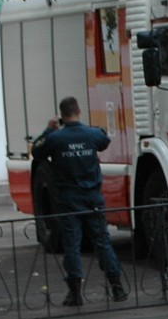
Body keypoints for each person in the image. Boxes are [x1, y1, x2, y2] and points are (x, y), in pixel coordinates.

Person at [32, 96, 126, 306]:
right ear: (79, 111)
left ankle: (75, 293)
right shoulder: (91, 134)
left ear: (61, 115)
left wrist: (49, 130)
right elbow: (104, 140)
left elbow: (36, 151)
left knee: (72, 245)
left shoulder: (56, 138)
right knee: (102, 242)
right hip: (92, 196)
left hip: (68, 199)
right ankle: (117, 288)